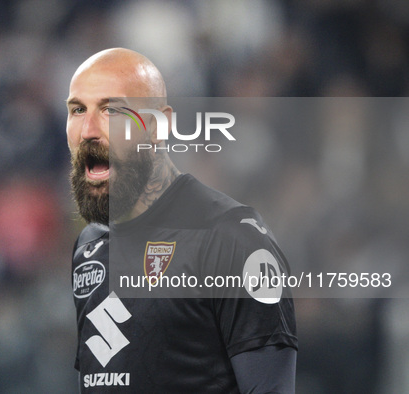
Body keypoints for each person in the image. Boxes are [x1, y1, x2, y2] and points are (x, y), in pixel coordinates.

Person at [66, 48, 297, 393]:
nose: (88, 130)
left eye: (111, 109)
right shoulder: (89, 248)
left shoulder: (232, 238)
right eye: (78, 109)